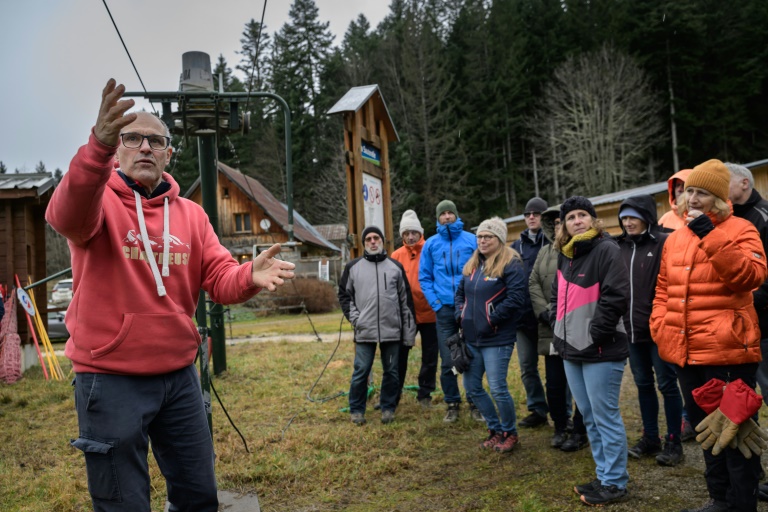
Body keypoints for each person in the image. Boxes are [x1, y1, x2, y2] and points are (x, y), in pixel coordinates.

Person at [45, 79, 296, 512]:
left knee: (199, 495)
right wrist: (96, 149)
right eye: (132, 138)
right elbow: (63, 215)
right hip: (109, 377)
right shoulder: (97, 201)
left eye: (156, 141)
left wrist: (249, 274)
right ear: (118, 149)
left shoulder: (191, 215)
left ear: (168, 154)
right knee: (124, 502)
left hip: (179, 378)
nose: (144, 147)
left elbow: (219, 278)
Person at [652, 159, 766, 512]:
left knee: (734, 434)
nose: (693, 198)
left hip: (728, 351)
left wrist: (709, 234)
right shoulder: (676, 239)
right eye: (689, 192)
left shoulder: (742, 228)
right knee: (706, 430)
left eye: (702, 192)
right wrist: (660, 327)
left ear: (718, 198)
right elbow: (662, 291)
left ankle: (743, 503)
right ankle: (719, 499)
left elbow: (751, 277)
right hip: (684, 351)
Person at [550, 196, 630, 506]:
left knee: (605, 415)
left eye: (583, 215)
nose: (577, 221)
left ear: (593, 220)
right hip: (571, 349)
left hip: (601, 348)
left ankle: (616, 482)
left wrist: (597, 333)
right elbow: (559, 296)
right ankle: (604, 474)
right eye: (571, 218)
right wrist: (559, 330)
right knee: (589, 416)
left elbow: (616, 296)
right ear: (565, 225)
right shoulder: (565, 255)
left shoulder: (606, 249)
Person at [615, 195, 684, 467]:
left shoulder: (665, 242)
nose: (627, 222)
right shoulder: (618, 246)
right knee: (643, 384)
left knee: (667, 385)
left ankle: (674, 442)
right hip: (631, 330)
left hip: (660, 329)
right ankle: (650, 437)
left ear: (646, 216)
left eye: (633, 216)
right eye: (624, 217)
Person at [455, 217, 526, 453]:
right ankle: (494, 429)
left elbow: (516, 299)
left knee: (497, 388)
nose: (483, 240)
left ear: (500, 240)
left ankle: (509, 432)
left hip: (497, 338)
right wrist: (460, 314)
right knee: (472, 387)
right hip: (472, 339)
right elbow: (459, 295)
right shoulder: (472, 265)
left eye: (488, 236)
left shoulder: (511, 264)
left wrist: (490, 320)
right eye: (480, 236)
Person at [338, 225, 416, 426]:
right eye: (368, 239)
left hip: (392, 331)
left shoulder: (395, 268)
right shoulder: (353, 268)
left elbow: (406, 302)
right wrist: (356, 319)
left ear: (382, 241)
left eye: (376, 238)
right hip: (365, 330)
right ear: (364, 243)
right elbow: (344, 296)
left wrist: (408, 334)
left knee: (391, 371)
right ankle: (356, 409)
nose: (372, 241)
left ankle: (388, 407)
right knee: (361, 370)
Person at [529, 206, 587, 452]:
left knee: (580, 383)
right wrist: (544, 311)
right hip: (550, 327)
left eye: (559, 221)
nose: (557, 226)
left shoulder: (584, 249)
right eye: (552, 223)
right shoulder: (544, 252)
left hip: (577, 325)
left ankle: (580, 429)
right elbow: (533, 282)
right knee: (554, 382)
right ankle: (560, 426)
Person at [419, 200, 479, 422]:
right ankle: (452, 402)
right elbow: (424, 277)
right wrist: (435, 303)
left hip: (469, 308)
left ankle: (475, 401)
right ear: (437, 218)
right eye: (442, 214)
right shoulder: (431, 244)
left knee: (472, 355)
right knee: (448, 359)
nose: (446, 217)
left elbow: (481, 271)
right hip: (443, 310)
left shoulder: (472, 241)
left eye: (449, 213)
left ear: (456, 215)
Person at [390, 210, 439, 410]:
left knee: (430, 355)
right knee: (400, 355)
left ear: (421, 233)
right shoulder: (396, 255)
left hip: (430, 312)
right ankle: (394, 392)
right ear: (402, 235)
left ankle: (425, 393)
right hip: (406, 315)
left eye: (414, 233)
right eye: (406, 233)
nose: (410, 237)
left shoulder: (430, 249)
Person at [510, 197, 550, 428]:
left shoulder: (553, 242)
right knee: (527, 366)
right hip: (523, 319)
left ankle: (561, 412)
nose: (531, 217)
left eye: (536, 213)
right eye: (527, 214)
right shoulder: (517, 246)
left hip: (548, 318)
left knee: (557, 370)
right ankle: (537, 410)